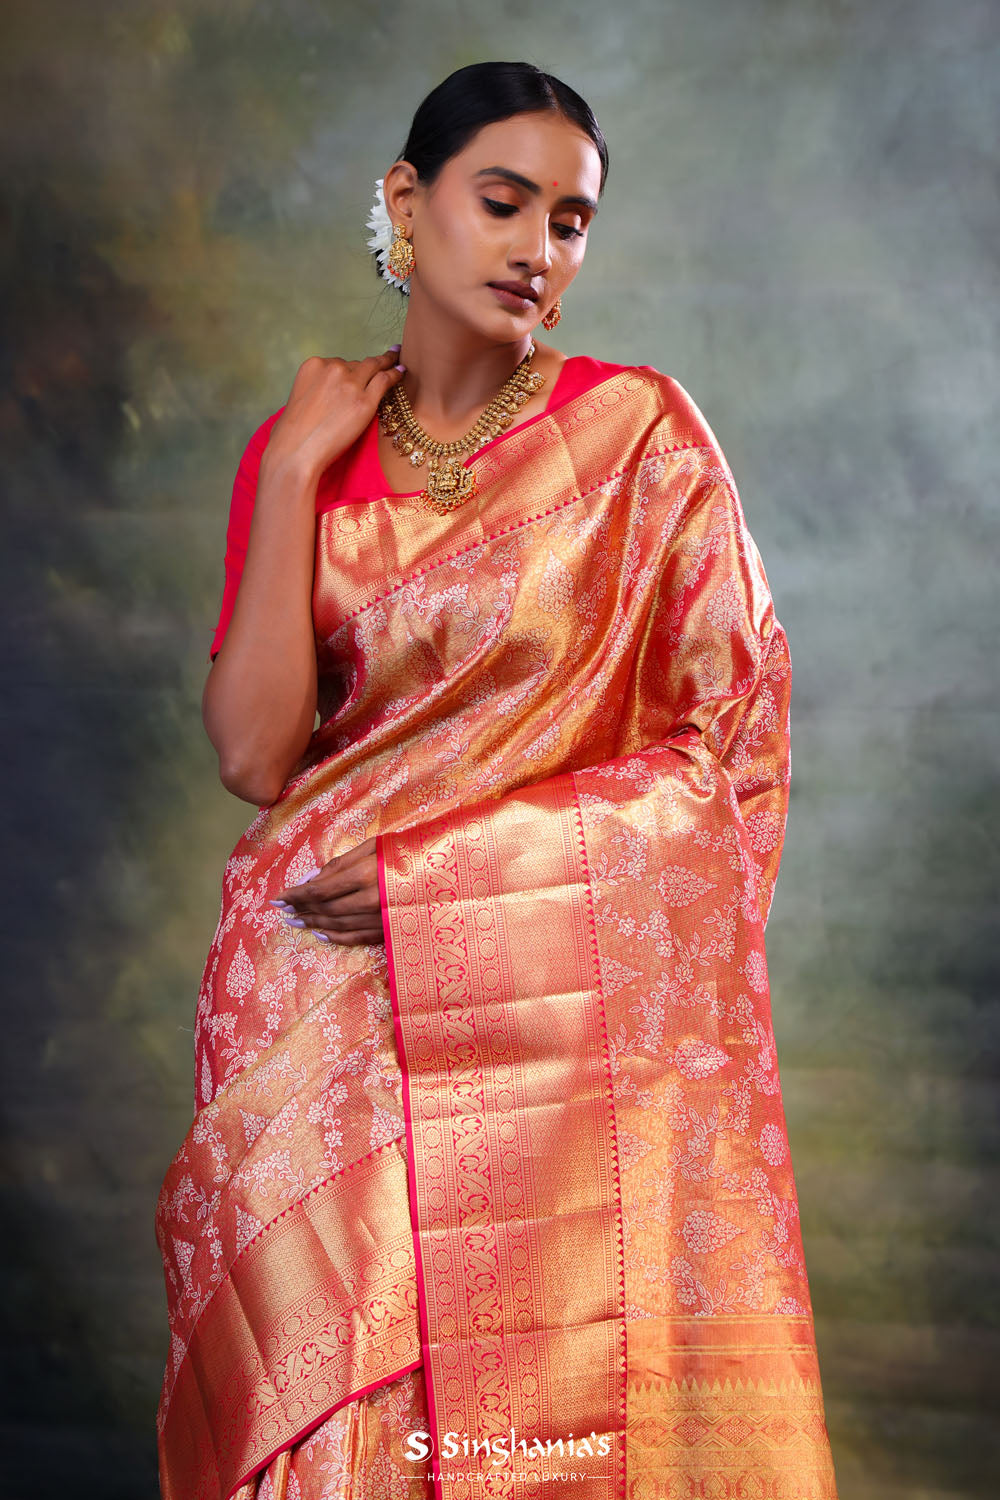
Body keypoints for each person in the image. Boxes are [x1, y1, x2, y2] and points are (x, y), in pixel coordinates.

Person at [155, 60, 839, 1500]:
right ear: (408, 203)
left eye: (571, 222)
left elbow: (729, 746)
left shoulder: (638, 436)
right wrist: (292, 472)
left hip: (533, 1006)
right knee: (341, 1419)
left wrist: (450, 885)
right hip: (314, 1007)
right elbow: (256, 757)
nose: (538, 248)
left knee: (529, 1407)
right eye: (505, 202)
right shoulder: (301, 453)